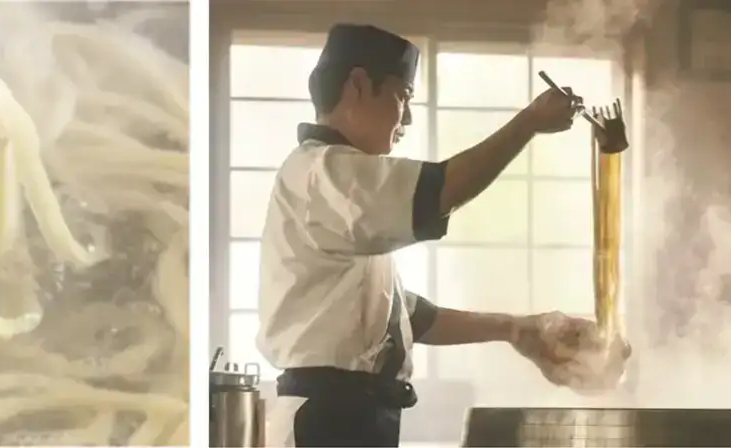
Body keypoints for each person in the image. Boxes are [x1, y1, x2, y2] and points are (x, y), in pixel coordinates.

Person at [255, 23, 632, 447]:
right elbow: (438, 192)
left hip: (351, 416)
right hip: (324, 422)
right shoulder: (322, 172)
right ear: (358, 85)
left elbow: (405, 316)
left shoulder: (341, 192)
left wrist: (518, 329)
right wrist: (528, 123)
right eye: (403, 96)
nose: (408, 118)